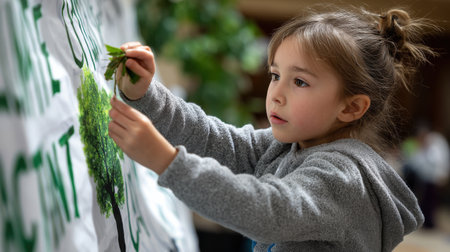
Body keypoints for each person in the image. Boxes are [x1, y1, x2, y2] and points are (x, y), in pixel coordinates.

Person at [108, 7, 437, 251]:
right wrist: (148, 95)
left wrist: (166, 161)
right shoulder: (289, 144)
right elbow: (216, 139)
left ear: (351, 107)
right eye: (275, 75)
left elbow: (267, 209)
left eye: (299, 81)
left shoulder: (342, 178)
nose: (276, 94)